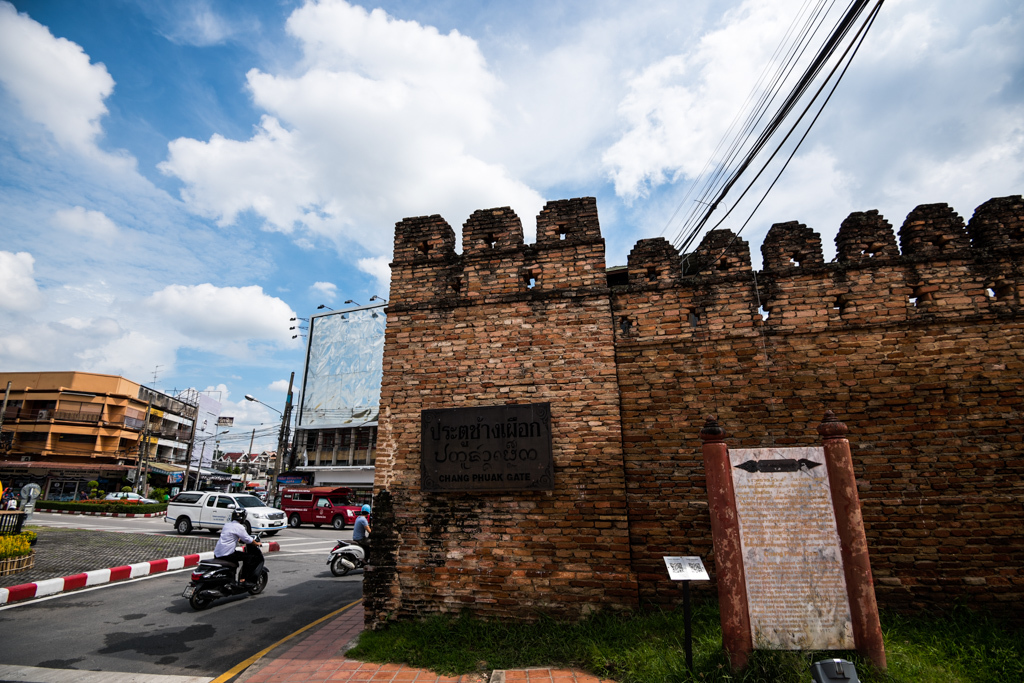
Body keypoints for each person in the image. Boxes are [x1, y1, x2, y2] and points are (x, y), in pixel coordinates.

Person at [214, 507, 260, 584]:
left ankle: (231, 579)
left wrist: (238, 539)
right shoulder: (239, 527)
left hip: (218, 553)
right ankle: (243, 578)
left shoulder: (227, 525)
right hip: (227, 554)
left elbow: (231, 535)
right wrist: (257, 543)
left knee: (236, 557)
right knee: (249, 558)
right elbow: (247, 539)